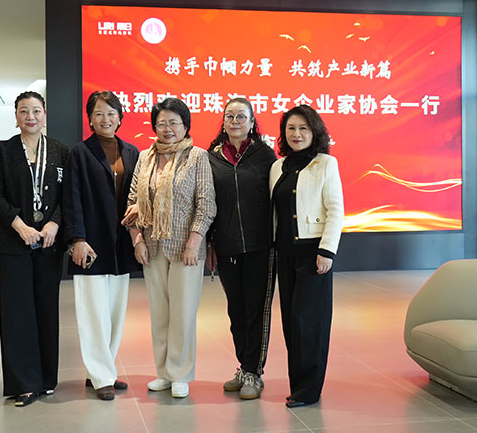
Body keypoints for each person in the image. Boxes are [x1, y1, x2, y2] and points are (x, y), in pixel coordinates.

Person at [126, 97, 216, 399]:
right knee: (160, 313)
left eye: (173, 123)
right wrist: (137, 240)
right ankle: (164, 372)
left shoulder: (197, 157)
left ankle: (180, 373)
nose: (167, 128)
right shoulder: (145, 158)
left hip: (185, 248)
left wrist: (194, 242)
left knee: (183, 313)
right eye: (161, 123)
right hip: (151, 247)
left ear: (185, 126)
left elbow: (206, 204)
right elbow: (132, 203)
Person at [0, 91, 69, 407]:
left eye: (36, 110)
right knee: (16, 312)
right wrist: (19, 225)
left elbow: (68, 195)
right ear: (16, 116)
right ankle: (23, 382)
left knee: (46, 310)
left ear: (45, 114)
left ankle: (46, 379)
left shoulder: (60, 150)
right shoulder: (4, 149)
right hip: (14, 241)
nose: (30, 117)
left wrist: (54, 225)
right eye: (24, 111)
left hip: (49, 242)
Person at [62, 90, 140, 401]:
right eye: (98, 113)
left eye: (111, 113)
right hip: (91, 243)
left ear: (120, 117)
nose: (105, 119)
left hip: (120, 243)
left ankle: (102, 369)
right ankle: (100, 375)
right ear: (90, 119)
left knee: (114, 312)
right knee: (93, 312)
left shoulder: (132, 151)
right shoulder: (79, 153)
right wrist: (78, 239)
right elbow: (72, 198)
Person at [269, 104, 344, 408]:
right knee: (291, 322)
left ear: (314, 132)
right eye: (291, 128)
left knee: (309, 322)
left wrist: (327, 250)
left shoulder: (326, 163)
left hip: (314, 253)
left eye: (303, 128)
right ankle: (297, 385)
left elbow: (335, 210)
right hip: (285, 254)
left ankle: (308, 391)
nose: (296, 134)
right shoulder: (278, 166)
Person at [206, 98, 277, 400]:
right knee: (236, 311)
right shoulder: (212, 158)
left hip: (261, 246)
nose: (235, 121)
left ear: (251, 122)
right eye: (229, 116)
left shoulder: (265, 155)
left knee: (256, 311)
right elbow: (207, 202)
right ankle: (243, 366)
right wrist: (210, 242)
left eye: (241, 116)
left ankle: (253, 372)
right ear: (223, 122)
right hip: (226, 246)